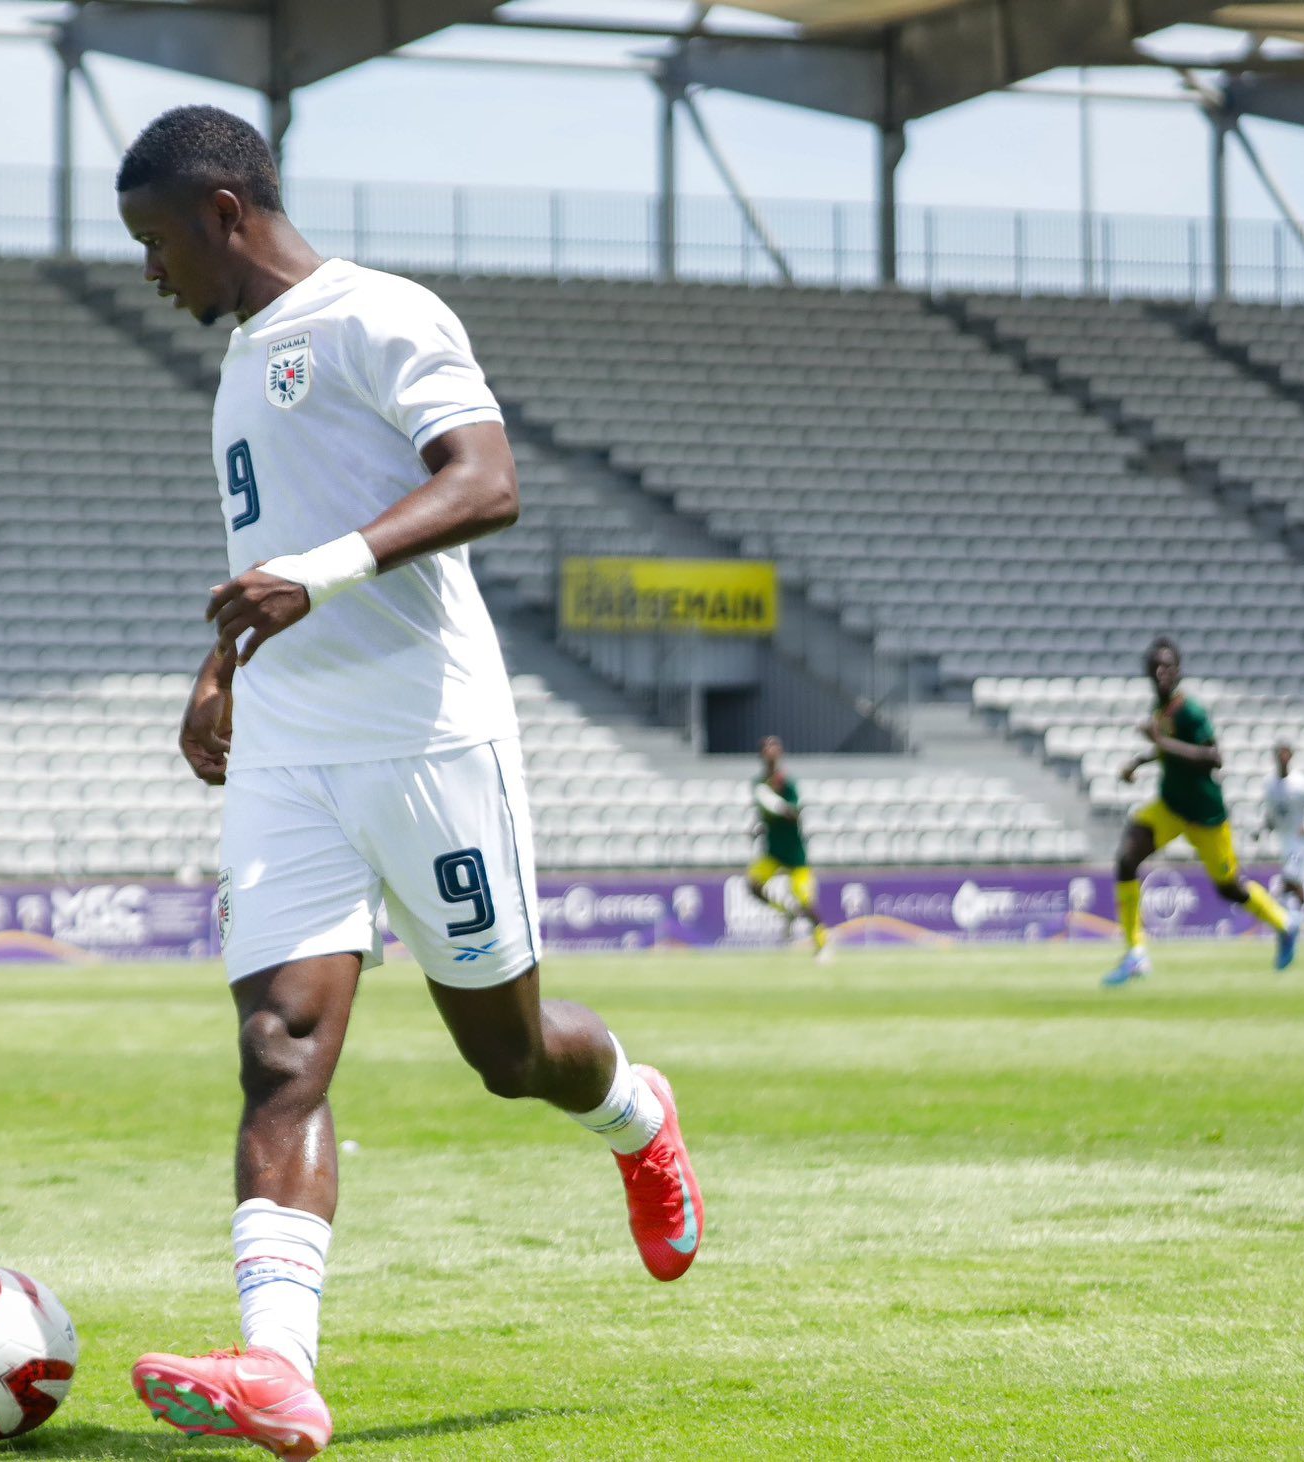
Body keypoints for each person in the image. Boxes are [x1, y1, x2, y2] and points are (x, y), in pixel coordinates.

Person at [114, 105, 702, 1459]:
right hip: (290, 750)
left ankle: (637, 1109)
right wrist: (222, 666)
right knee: (282, 1054)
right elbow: (269, 548)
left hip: (431, 737)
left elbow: (487, 482)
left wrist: (311, 579)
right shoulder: (238, 365)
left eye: (156, 242)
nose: (152, 275)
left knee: (510, 1056)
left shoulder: (382, 316)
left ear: (223, 213)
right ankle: (281, 1370)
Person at [1105, 637, 1298, 985]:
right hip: (1171, 806)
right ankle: (1136, 954)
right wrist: (1139, 761)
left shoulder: (1190, 711)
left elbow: (1213, 756)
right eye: (1156, 665)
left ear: (1179, 672)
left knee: (1228, 888)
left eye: (1169, 665)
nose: (1162, 671)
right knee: (1126, 860)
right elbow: (1171, 751)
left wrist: (1159, 743)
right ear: (1149, 672)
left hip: (1205, 815)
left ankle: (1284, 923)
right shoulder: (1160, 710)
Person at [745, 735, 830, 963]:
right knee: (752, 884)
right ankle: (786, 911)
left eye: (775, 747)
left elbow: (795, 815)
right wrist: (758, 828)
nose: (771, 752)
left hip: (794, 855)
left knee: (806, 900)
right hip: (773, 853)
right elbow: (764, 816)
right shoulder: (759, 784)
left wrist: (777, 805)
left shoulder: (787, 784)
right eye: (767, 748)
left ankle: (822, 944)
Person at [1262, 739, 1304, 937]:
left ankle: (1293, 922)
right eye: (1279, 754)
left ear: (1291, 757)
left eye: (1286, 754)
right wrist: (1266, 825)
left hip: (1300, 842)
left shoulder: (1302, 783)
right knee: (1293, 883)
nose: (1282, 758)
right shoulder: (1269, 783)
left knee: (1290, 879)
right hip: (1283, 841)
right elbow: (1271, 812)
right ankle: (1298, 920)